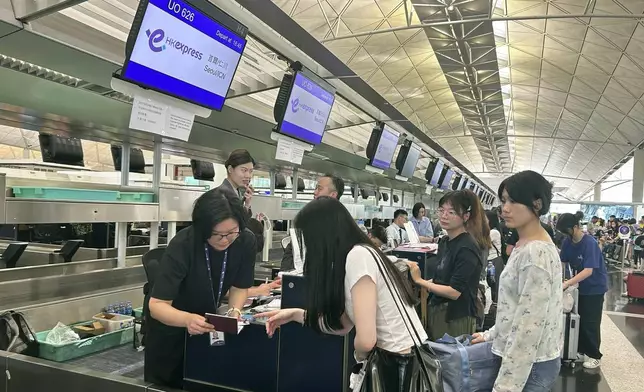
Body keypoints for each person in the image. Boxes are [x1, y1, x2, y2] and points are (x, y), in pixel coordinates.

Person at [257, 197, 427, 390]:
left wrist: (360, 362)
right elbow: (343, 324)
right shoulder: (358, 255)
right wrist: (296, 314)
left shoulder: (358, 256)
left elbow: (366, 340)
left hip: (398, 368)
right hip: (398, 363)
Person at [144, 189, 256, 388]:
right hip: (172, 329)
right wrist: (186, 319)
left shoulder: (245, 241)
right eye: (217, 234)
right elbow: (157, 305)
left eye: (231, 233)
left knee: (206, 381)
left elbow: (240, 286)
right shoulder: (183, 244)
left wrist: (234, 310)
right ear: (202, 228)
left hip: (206, 325)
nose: (225, 240)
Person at [472, 170, 563, 392]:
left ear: (537, 204)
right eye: (503, 200)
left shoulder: (536, 254)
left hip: (529, 366)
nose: (505, 208)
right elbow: (515, 308)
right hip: (522, 361)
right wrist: (491, 334)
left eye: (513, 200)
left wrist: (505, 388)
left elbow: (528, 329)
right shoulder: (525, 243)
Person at [407, 190, 485, 340]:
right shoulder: (444, 242)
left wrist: (420, 281)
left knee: (450, 360)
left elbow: (454, 292)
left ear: (466, 216)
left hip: (455, 317)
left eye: (452, 212)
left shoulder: (467, 247)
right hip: (437, 310)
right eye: (442, 210)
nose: (444, 216)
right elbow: (441, 279)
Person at [557, 211, 608, 370]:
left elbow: (588, 271)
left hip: (594, 287)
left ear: (575, 227)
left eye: (567, 231)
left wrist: (567, 284)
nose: (566, 235)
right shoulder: (567, 242)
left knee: (590, 321)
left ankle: (594, 355)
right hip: (578, 286)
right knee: (578, 319)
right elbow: (563, 262)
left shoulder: (590, 243)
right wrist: (560, 278)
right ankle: (579, 350)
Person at [280, 174, 345, 271]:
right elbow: (291, 252)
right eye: (315, 188)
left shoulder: (342, 225)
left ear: (333, 195)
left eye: (319, 189)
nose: (315, 192)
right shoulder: (306, 221)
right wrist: (284, 275)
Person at [217, 149, 255, 216]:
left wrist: (247, 204)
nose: (248, 176)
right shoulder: (221, 196)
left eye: (251, 171)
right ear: (230, 169)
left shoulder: (237, 192)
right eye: (244, 170)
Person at [485, 209, 503, 303]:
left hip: (494, 260)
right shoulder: (489, 231)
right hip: (489, 260)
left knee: (494, 283)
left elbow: (482, 242)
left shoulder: (494, 232)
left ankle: (494, 303)